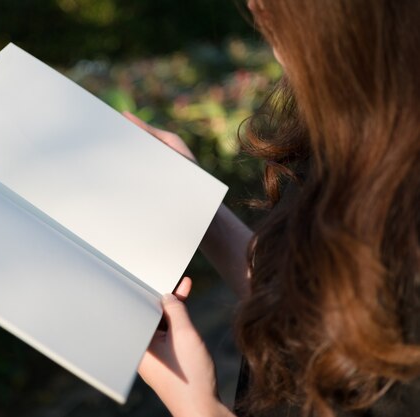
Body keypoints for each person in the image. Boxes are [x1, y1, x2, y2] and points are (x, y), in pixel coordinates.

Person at [123, 0, 420, 416]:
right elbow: (324, 314)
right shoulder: (359, 138)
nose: (257, 15)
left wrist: (196, 406)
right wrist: (199, 208)